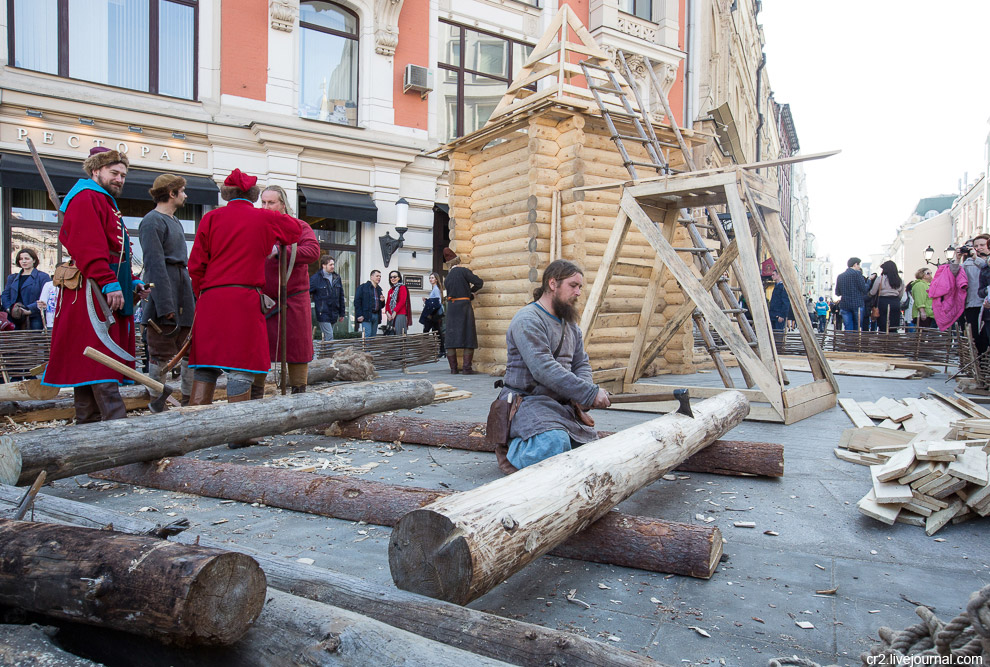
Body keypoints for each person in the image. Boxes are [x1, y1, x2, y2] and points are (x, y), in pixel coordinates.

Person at [186, 169, 302, 433]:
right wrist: (277, 214)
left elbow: (195, 266)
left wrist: (201, 294)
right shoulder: (264, 218)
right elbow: (294, 231)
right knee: (242, 364)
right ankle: (238, 432)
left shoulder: (210, 218)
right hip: (243, 299)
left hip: (210, 298)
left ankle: (191, 429)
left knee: (205, 364)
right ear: (253, 194)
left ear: (226, 194)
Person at [41, 147, 150, 422]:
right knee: (99, 360)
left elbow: (118, 253)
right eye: (114, 173)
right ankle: (115, 430)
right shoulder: (87, 197)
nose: (120, 179)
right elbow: (88, 246)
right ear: (95, 171)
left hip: (102, 287)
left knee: (90, 365)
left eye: (123, 175)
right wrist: (109, 282)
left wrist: (132, 283)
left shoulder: (104, 200)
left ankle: (88, 431)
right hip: (90, 293)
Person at [497, 259, 610, 472]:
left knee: (590, 450)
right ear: (552, 284)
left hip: (559, 405)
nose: (578, 292)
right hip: (528, 402)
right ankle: (513, 449)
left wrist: (584, 396)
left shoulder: (571, 325)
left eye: (580, 287)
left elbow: (580, 363)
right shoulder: (528, 319)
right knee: (553, 443)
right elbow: (544, 369)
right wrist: (589, 392)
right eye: (573, 285)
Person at [138, 174, 196, 405]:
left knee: (189, 347)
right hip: (165, 292)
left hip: (182, 287)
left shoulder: (174, 220)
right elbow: (154, 264)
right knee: (160, 350)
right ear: (171, 193)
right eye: (182, 191)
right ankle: (156, 400)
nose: (185, 195)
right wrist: (164, 304)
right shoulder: (152, 221)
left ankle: (189, 401)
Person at [258, 185, 321, 394]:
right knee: (257, 349)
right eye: (263, 202)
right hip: (263, 300)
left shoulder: (300, 226)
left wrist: (281, 249)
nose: (266, 206)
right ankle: (254, 398)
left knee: (297, 349)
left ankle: (299, 395)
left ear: (283, 204)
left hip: (293, 299)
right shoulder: (257, 226)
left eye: (271, 202)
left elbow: (312, 251)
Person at [443, 248, 483, 374]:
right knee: (468, 336)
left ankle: (453, 369)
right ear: (458, 261)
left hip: (452, 308)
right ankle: (466, 368)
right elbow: (479, 282)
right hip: (464, 307)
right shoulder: (463, 271)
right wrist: (470, 293)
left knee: (451, 338)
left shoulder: (447, 277)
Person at [2, 248, 50, 330]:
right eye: (21, 259)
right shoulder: (12, 277)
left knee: (33, 341)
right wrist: (9, 309)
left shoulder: (42, 277)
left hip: (34, 316)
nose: (23, 261)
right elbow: (5, 294)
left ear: (34, 260)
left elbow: (46, 297)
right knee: (14, 341)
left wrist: (29, 309)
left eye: (27, 259)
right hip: (14, 317)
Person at [959, 235, 990, 354]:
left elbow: (984, 265)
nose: (979, 248)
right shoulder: (968, 263)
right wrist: (957, 259)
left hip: (985, 306)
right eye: (976, 246)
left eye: (982, 245)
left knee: (986, 338)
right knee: (977, 339)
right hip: (974, 303)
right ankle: (981, 369)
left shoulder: (983, 263)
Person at [310, 254, 346, 341]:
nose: (333, 266)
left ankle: (324, 354)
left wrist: (342, 313)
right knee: (329, 337)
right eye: (330, 264)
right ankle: (330, 354)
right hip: (323, 313)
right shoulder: (315, 279)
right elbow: (307, 293)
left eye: (333, 264)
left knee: (327, 338)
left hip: (334, 313)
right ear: (324, 265)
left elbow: (341, 296)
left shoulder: (337, 278)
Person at [869, 260, 905, 332]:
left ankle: (883, 340)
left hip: (883, 302)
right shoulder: (900, 280)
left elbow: (873, 292)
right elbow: (901, 294)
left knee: (883, 325)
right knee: (893, 324)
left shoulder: (881, 279)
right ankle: (893, 340)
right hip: (895, 302)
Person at [835, 257, 869, 332]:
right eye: (859, 265)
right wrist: (868, 282)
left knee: (848, 327)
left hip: (845, 304)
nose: (859, 267)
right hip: (858, 304)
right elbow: (864, 289)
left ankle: (848, 343)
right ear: (855, 264)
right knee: (857, 326)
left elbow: (837, 293)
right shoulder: (858, 274)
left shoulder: (840, 276)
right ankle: (855, 342)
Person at [419, 271, 446, 357]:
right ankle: (442, 350)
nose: (431, 279)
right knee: (437, 332)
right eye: (430, 278)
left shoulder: (436, 289)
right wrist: (427, 300)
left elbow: (436, 303)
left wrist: (427, 301)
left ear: (436, 279)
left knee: (426, 332)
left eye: (432, 278)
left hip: (432, 315)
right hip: (434, 316)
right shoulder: (435, 289)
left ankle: (424, 351)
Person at [354, 269, 385, 338]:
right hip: (366, 315)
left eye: (380, 276)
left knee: (373, 336)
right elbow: (357, 302)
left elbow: (381, 306)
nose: (379, 278)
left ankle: (370, 349)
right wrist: (359, 315)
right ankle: (366, 349)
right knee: (367, 335)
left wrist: (382, 301)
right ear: (371, 277)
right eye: (377, 276)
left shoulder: (379, 289)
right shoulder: (363, 287)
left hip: (376, 315)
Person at [384, 270, 412, 335]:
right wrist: (387, 312)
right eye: (391, 277)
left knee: (399, 334)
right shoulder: (390, 290)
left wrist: (395, 312)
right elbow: (387, 303)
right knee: (391, 334)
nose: (392, 279)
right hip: (391, 316)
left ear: (399, 278)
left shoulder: (402, 287)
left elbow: (402, 301)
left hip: (400, 314)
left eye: (394, 277)